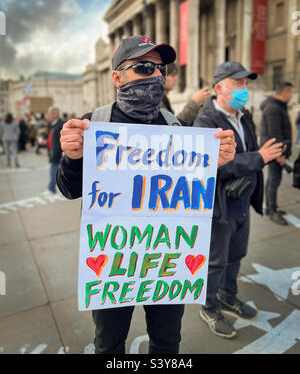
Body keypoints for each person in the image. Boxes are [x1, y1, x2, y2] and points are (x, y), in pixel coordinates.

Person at [56, 35, 236, 354]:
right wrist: (73, 157)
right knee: (109, 343)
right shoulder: (94, 124)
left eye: (160, 69)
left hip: (168, 263)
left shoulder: (175, 126)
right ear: (117, 77)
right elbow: (69, 189)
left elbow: (191, 190)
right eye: (143, 67)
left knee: (167, 342)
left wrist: (215, 162)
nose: (155, 76)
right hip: (114, 265)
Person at [193, 61, 284, 339]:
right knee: (215, 262)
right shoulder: (205, 121)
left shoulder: (244, 116)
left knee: (235, 257)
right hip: (220, 207)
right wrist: (259, 158)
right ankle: (209, 307)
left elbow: (246, 154)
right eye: (238, 84)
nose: (244, 89)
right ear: (219, 87)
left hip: (242, 203)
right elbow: (216, 166)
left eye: (246, 83)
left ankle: (228, 296)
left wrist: (260, 155)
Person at [260, 82, 293, 225]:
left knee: (273, 180)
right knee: (274, 180)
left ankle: (272, 207)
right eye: (291, 92)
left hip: (275, 150)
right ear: (285, 92)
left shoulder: (277, 107)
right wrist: (279, 154)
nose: (291, 95)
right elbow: (275, 132)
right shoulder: (274, 108)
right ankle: (271, 211)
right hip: (274, 151)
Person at [47, 107, 64, 193]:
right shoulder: (53, 124)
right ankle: (51, 188)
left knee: (54, 172)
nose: (50, 115)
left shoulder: (60, 124)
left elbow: (59, 140)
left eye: (52, 113)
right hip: (52, 151)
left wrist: (55, 152)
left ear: (56, 114)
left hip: (57, 153)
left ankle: (51, 188)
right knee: (54, 171)